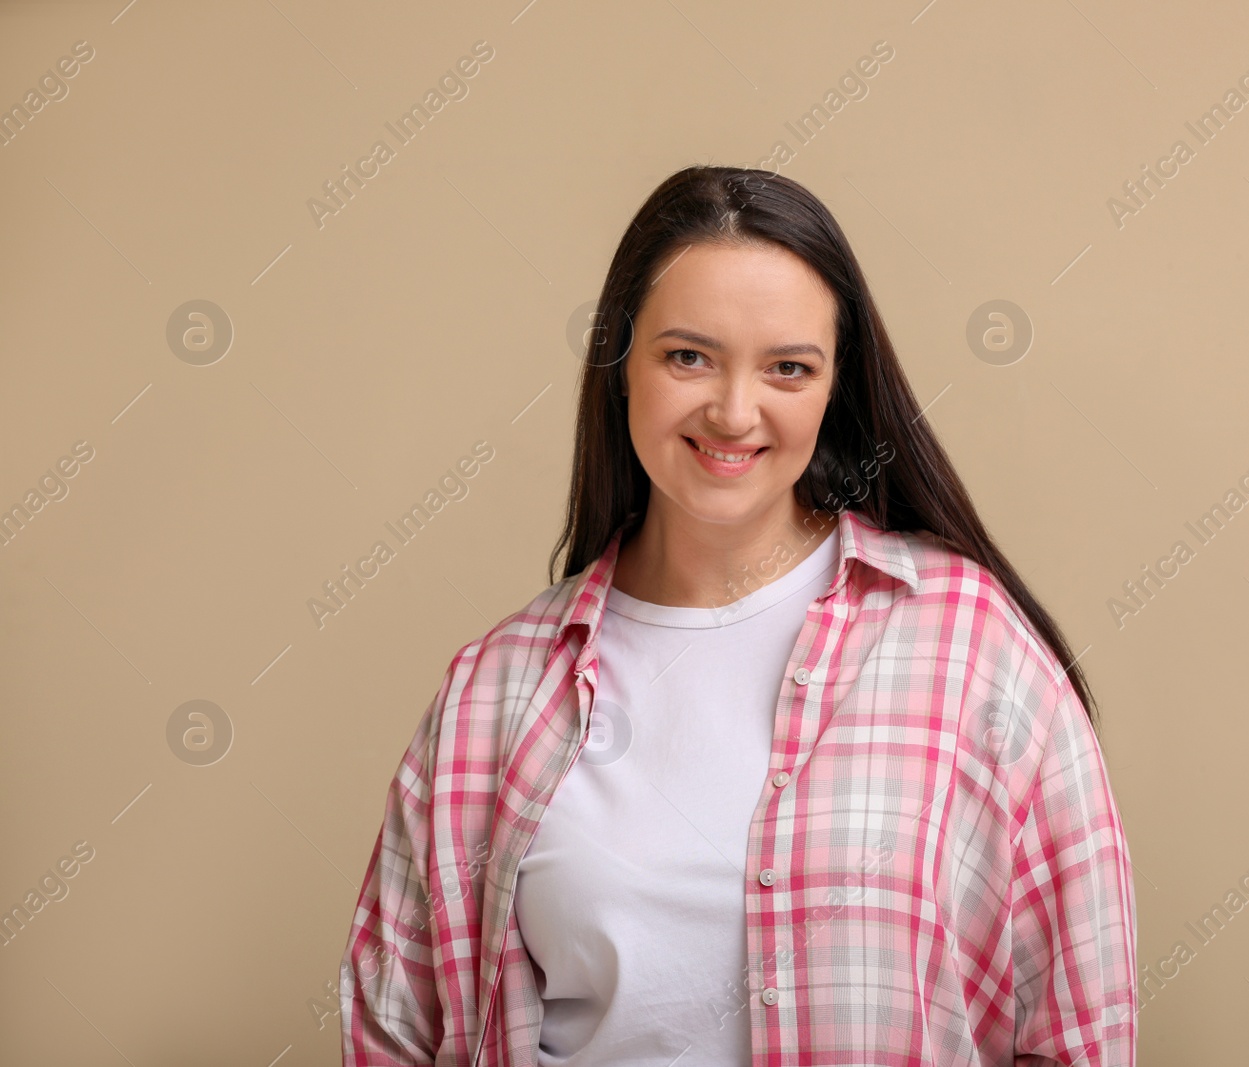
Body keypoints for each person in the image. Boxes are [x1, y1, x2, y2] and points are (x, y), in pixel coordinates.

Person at [340, 165, 1136, 1066]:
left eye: (788, 368)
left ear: (835, 386)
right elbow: (394, 1032)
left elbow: (1079, 1026)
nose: (733, 410)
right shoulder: (494, 691)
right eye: (688, 356)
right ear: (620, 363)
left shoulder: (968, 644)